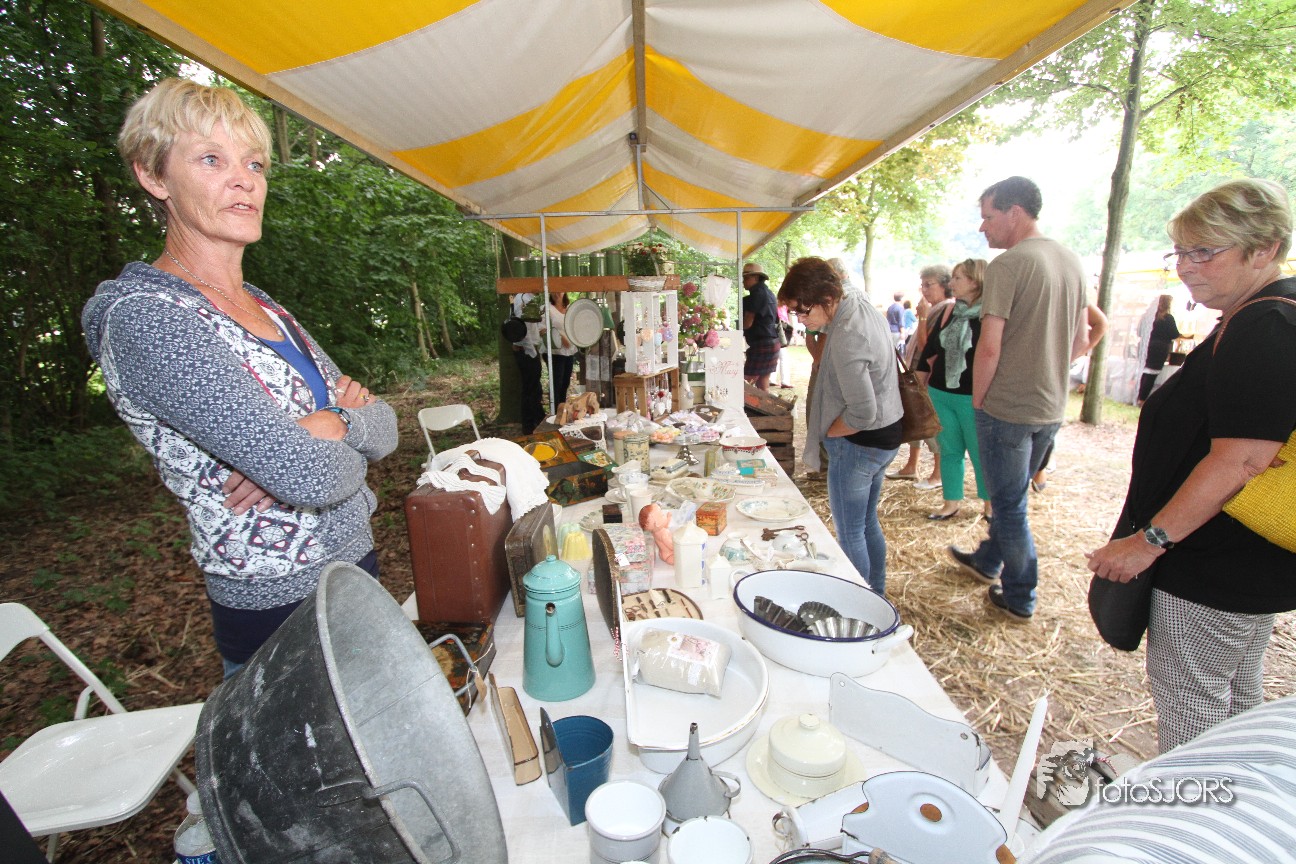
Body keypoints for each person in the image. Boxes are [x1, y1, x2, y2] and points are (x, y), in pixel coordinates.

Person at [81, 79, 398, 677]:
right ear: (153, 175)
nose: (244, 180)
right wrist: (308, 450)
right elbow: (309, 474)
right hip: (278, 609)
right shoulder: (149, 318)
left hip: (357, 569)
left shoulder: (265, 307)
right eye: (211, 159)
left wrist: (331, 424)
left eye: (254, 164)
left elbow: (386, 428)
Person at [1086, 178, 1296, 753]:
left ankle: (1193, 808)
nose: (1185, 266)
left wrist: (1148, 542)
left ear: (1264, 249)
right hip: (1239, 560)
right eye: (1180, 251)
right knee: (1234, 702)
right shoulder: (1256, 315)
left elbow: (1243, 459)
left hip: (1213, 564)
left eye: (1205, 251)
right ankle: (1240, 799)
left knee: (1193, 717)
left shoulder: (1266, 325)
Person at [947, 176, 1088, 623]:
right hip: (1051, 406)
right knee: (1014, 495)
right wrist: (1045, 368)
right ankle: (988, 560)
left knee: (1009, 506)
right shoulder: (1071, 260)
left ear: (1015, 213)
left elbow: (989, 347)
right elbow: (1082, 339)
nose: (982, 227)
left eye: (988, 217)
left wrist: (979, 402)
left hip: (1007, 408)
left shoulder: (1008, 265)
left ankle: (1021, 595)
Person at [779, 257, 902, 594]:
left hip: (861, 442)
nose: (801, 319)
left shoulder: (848, 334)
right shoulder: (856, 300)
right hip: (886, 433)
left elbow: (862, 412)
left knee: (850, 533)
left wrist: (830, 433)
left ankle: (860, 602)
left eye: (803, 310)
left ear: (826, 297)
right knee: (866, 523)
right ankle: (877, 595)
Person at [919, 259, 991, 521]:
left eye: (958, 278)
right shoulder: (951, 311)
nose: (951, 283)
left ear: (975, 281)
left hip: (974, 395)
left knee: (980, 452)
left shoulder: (990, 314)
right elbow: (930, 349)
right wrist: (919, 383)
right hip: (941, 392)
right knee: (949, 450)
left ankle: (989, 505)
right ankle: (951, 502)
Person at [888, 265, 952, 488]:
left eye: (929, 285)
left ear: (944, 285)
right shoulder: (936, 308)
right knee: (915, 417)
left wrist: (923, 317)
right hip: (917, 374)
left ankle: (938, 474)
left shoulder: (946, 309)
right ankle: (911, 466)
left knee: (929, 421)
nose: (924, 290)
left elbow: (928, 348)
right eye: (922, 285)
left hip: (930, 377)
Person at [742, 262, 780, 390]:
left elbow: (747, 323)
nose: (743, 281)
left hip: (761, 344)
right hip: (772, 342)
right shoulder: (769, 293)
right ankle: (765, 403)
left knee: (745, 384)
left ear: (756, 277)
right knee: (763, 384)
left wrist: (736, 331)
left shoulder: (757, 295)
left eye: (746, 277)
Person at [1137, 293, 1181, 405]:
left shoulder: (1148, 317)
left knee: (1145, 372)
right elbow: (1174, 334)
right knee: (1151, 374)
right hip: (1160, 348)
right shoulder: (1168, 318)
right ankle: (1142, 399)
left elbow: (1140, 331)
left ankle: (1139, 396)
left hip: (1146, 346)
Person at [510, 291, 545, 432]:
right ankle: (529, 424)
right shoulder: (522, 298)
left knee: (535, 387)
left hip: (531, 349)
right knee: (530, 388)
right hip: (525, 350)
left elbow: (534, 326)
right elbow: (521, 329)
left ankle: (538, 418)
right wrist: (531, 350)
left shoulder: (532, 298)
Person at [539, 291, 577, 406]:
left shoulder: (571, 308)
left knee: (565, 382)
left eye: (559, 291)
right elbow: (541, 330)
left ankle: (562, 408)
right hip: (554, 352)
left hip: (569, 351)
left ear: (564, 292)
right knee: (557, 383)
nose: (556, 294)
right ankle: (555, 410)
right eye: (554, 291)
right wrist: (559, 336)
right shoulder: (546, 309)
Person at [774, 300, 794, 389]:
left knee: (777, 357)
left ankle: (772, 379)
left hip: (777, 334)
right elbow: (782, 322)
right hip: (780, 334)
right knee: (783, 358)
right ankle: (785, 381)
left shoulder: (778, 307)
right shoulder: (780, 308)